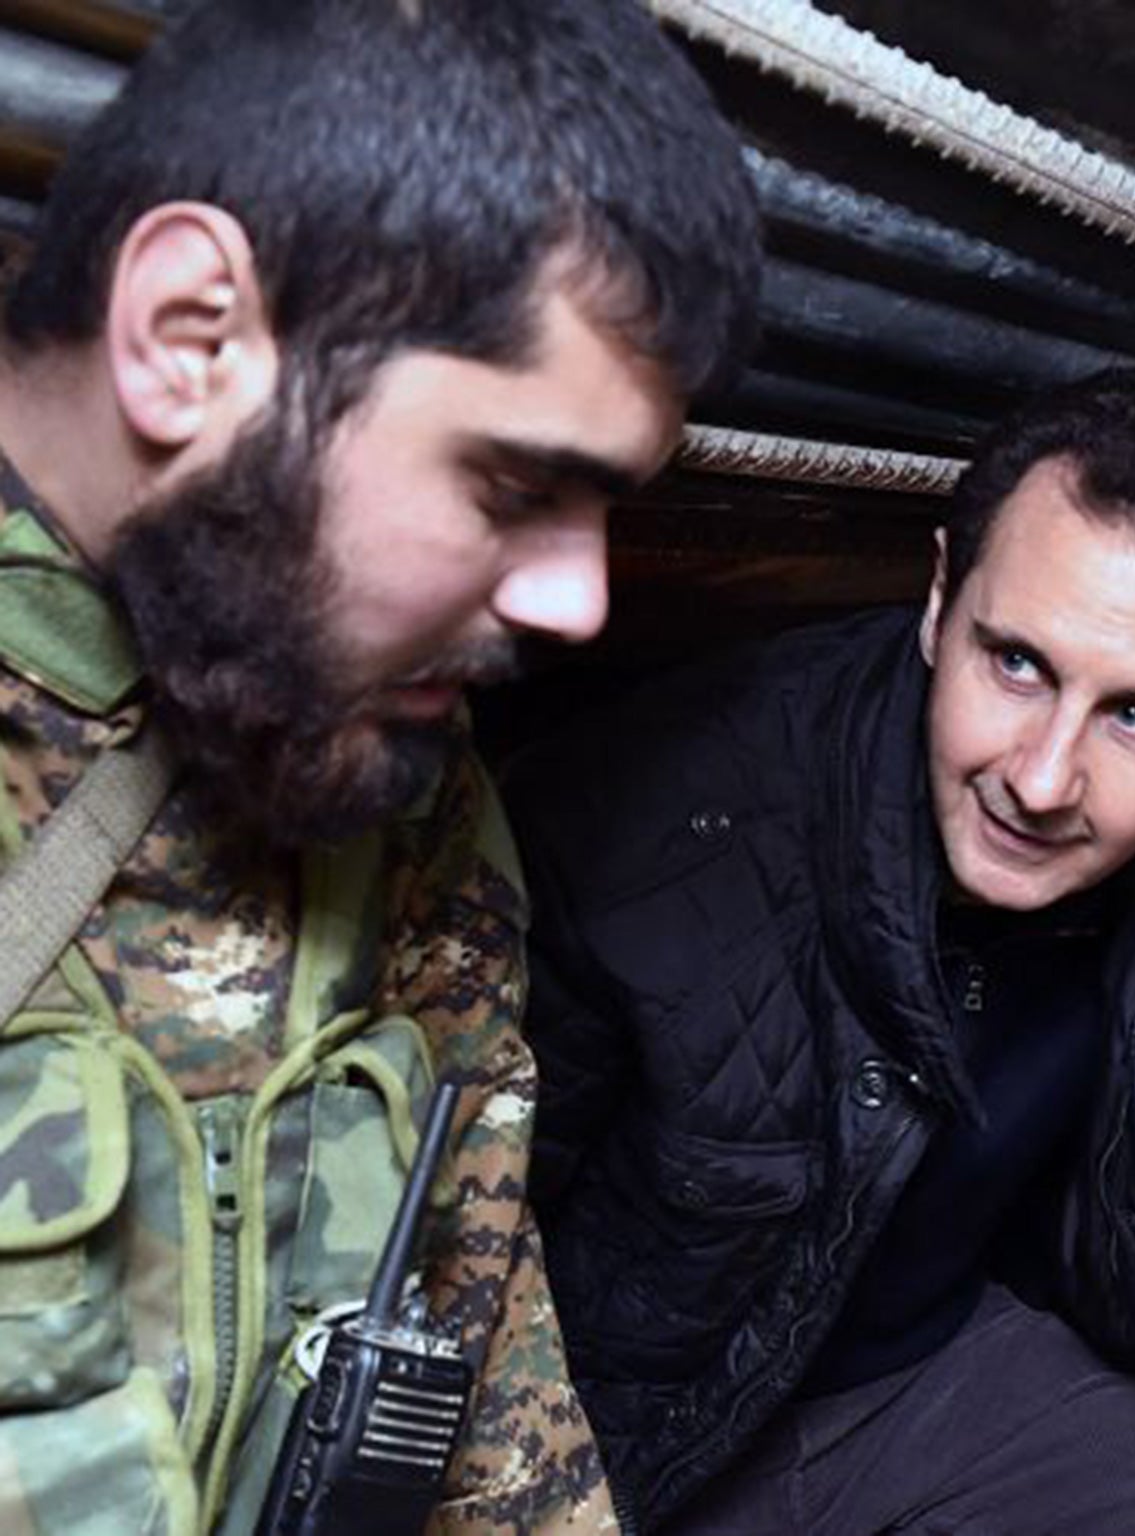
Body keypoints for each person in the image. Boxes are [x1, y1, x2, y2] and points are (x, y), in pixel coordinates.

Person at [505, 366, 1135, 1536]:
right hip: (633, 1437)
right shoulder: (663, 820)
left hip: (947, 1378)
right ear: (940, 601)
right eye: (1017, 664)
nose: (1041, 781)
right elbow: (450, 1252)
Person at [0, 2, 759, 1532]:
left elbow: (475, 1325)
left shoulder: (380, 751)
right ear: (190, 336)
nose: (580, 600)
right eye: (518, 483)